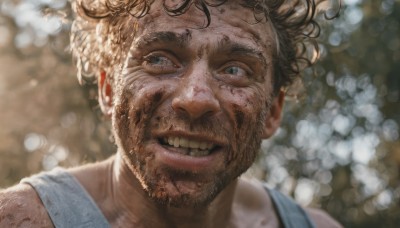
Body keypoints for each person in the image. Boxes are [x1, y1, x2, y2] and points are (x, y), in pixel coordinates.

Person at [0, 0, 342, 227]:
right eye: (159, 59)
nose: (196, 99)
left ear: (272, 111)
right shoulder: (20, 219)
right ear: (107, 89)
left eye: (235, 70)